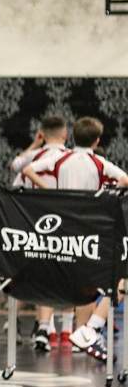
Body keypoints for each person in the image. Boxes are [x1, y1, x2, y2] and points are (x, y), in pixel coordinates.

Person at [24, 116, 128, 360]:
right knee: (88, 280)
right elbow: (125, 180)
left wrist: (53, 193)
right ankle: (83, 332)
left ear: (71, 137)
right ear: (97, 141)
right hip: (89, 227)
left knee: (54, 275)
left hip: (62, 226)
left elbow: (28, 169)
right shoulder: (98, 162)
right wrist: (103, 197)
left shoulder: (62, 158)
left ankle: (47, 328)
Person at [8, 115, 69, 351]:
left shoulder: (32, 157)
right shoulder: (69, 157)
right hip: (55, 222)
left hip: (27, 222)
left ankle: (14, 321)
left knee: (21, 274)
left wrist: (34, 144)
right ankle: (45, 328)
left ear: (42, 134)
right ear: (65, 135)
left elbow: (15, 171)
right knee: (50, 274)